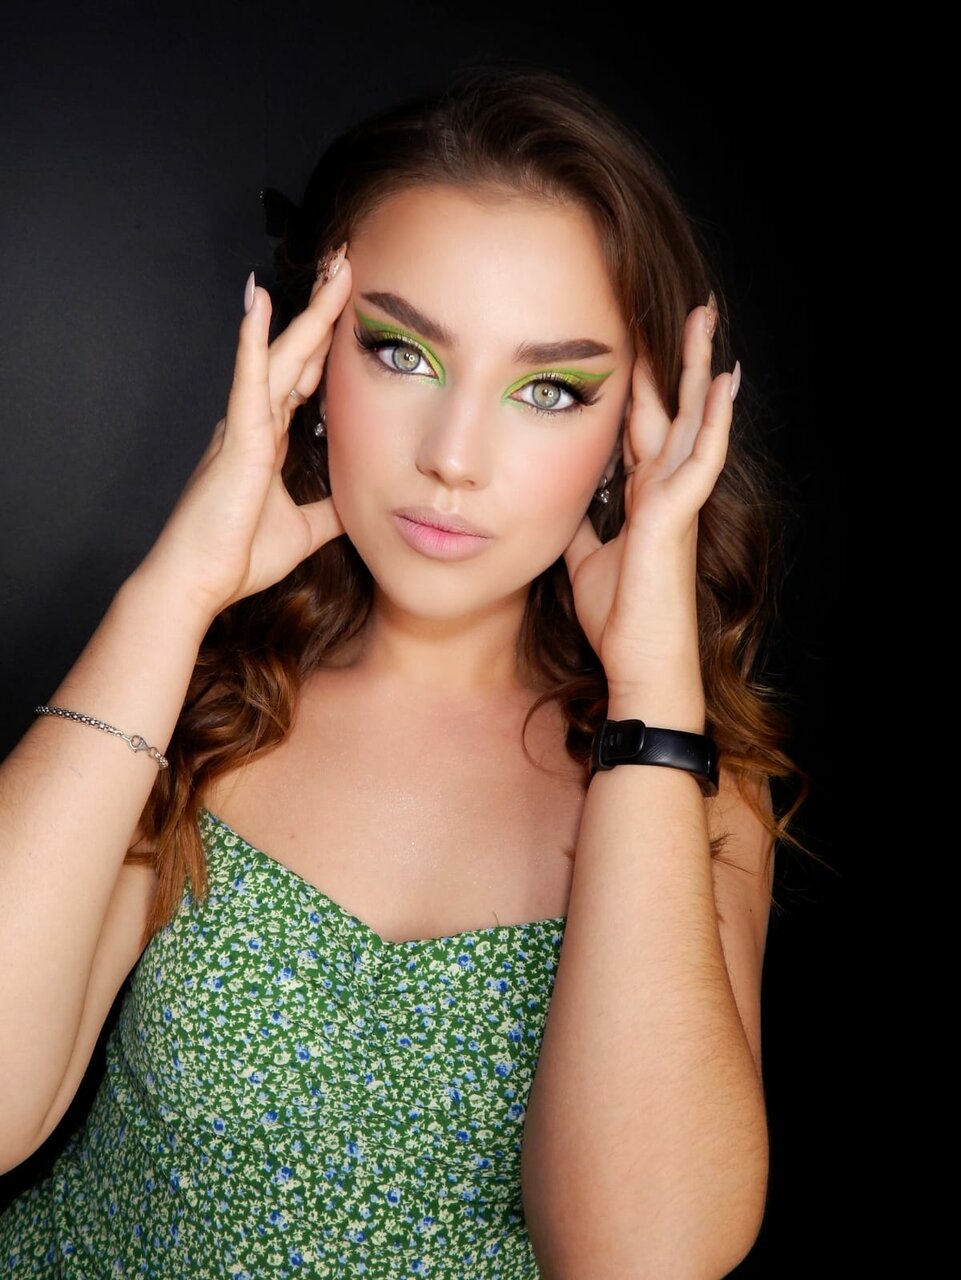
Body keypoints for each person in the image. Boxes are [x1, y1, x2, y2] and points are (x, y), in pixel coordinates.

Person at [0, 64, 803, 1278]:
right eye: (402, 352)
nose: (454, 456)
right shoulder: (199, 697)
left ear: (628, 439)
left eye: (548, 387)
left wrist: (651, 689)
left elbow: (640, 1255)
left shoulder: (688, 780)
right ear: (313, 362)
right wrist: (173, 593)